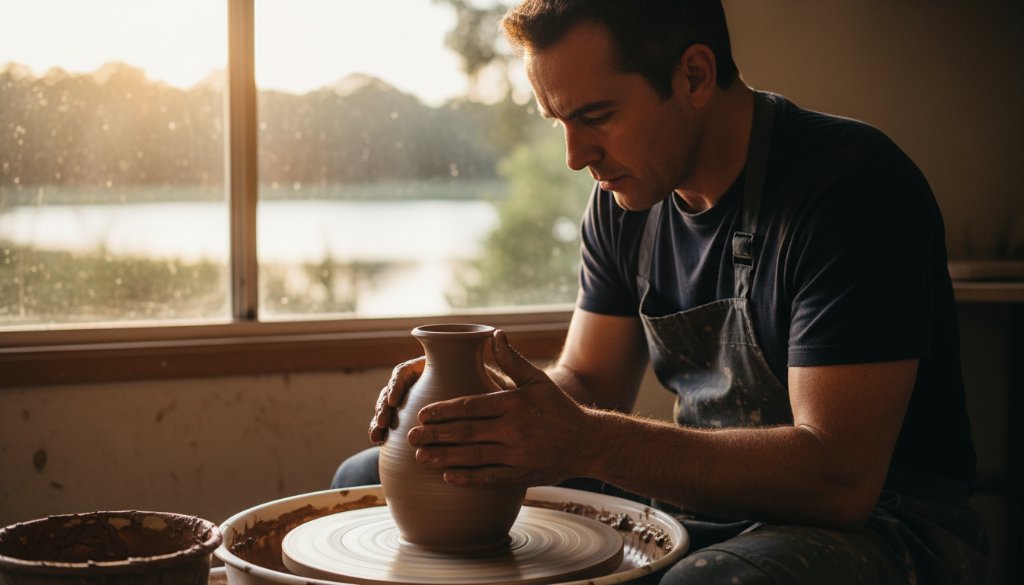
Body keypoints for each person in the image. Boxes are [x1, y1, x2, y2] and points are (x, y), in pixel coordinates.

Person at [332, 1, 988, 582]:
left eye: (596, 115)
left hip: (887, 525)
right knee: (364, 483)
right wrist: (479, 404)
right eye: (558, 120)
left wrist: (586, 440)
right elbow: (589, 380)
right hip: (704, 505)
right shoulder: (626, 199)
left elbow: (838, 476)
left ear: (694, 75)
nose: (575, 155)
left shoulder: (849, 189)